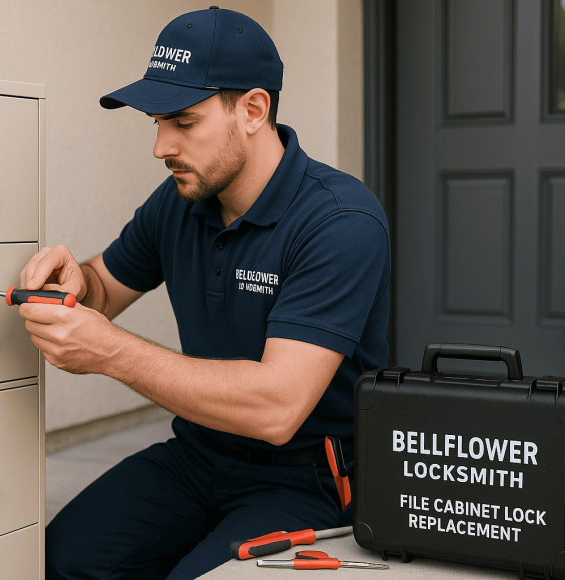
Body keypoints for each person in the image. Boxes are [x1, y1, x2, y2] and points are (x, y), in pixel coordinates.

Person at [19, 7, 390, 579]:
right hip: (198, 452)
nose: (160, 147)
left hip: (305, 476)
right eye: (156, 123)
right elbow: (103, 289)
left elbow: (277, 408)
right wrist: (76, 281)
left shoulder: (340, 221)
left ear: (253, 110)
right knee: (57, 562)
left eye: (183, 122)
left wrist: (112, 352)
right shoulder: (179, 200)